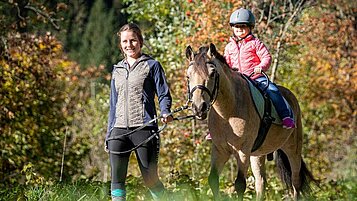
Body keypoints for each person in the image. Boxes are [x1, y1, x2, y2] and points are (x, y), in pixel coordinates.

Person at [105, 23, 173, 201]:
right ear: (121, 45)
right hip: (118, 130)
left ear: (140, 41)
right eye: (125, 41)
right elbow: (113, 104)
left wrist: (165, 111)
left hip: (143, 128)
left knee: (150, 179)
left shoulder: (152, 65)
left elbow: (164, 93)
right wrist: (108, 134)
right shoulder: (117, 70)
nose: (129, 45)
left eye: (133, 40)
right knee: (117, 179)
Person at [225, 8, 295, 129]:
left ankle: (285, 116)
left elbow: (266, 57)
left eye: (243, 26)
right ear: (232, 28)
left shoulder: (255, 43)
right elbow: (226, 63)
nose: (239, 29)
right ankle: (216, 127)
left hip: (255, 78)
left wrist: (261, 67)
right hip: (237, 80)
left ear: (250, 27)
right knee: (220, 95)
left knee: (273, 90)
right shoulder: (229, 47)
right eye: (236, 26)